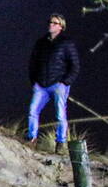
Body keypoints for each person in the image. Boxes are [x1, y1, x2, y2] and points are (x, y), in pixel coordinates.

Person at [27, 14, 79, 152]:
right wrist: (34, 81)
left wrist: (65, 82)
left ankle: (60, 143)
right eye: (50, 22)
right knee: (33, 111)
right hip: (41, 85)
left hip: (58, 84)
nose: (51, 25)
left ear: (61, 26)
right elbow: (33, 63)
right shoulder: (41, 42)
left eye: (55, 23)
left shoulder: (66, 43)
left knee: (60, 115)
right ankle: (31, 139)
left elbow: (75, 66)